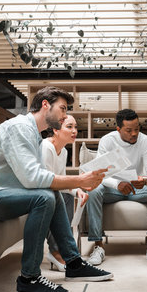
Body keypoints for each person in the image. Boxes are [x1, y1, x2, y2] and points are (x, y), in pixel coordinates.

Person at [0, 86, 113, 292]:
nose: (65, 115)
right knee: (45, 196)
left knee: (51, 194)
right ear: (45, 105)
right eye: (63, 108)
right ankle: (29, 279)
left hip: (11, 194)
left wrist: (77, 184)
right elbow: (32, 178)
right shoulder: (19, 127)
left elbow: (38, 178)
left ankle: (73, 263)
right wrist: (80, 180)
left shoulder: (33, 133)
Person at [86, 109, 147, 266]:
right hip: (113, 188)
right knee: (94, 190)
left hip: (137, 187)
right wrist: (117, 184)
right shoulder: (107, 141)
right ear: (118, 129)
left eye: (137, 129)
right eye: (129, 130)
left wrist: (145, 179)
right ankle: (98, 246)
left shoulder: (145, 141)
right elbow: (99, 173)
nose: (134, 133)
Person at [41, 114, 89, 272]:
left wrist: (77, 191)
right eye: (69, 127)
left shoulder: (63, 151)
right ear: (55, 129)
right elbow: (48, 182)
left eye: (75, 127)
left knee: (67, 196)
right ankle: (56, 251)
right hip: (39, 192)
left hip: (51, 191)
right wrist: (78, 183)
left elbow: (61, 181)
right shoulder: (46, 147)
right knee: (60, 197)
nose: (74, 131)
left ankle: (61, 251)